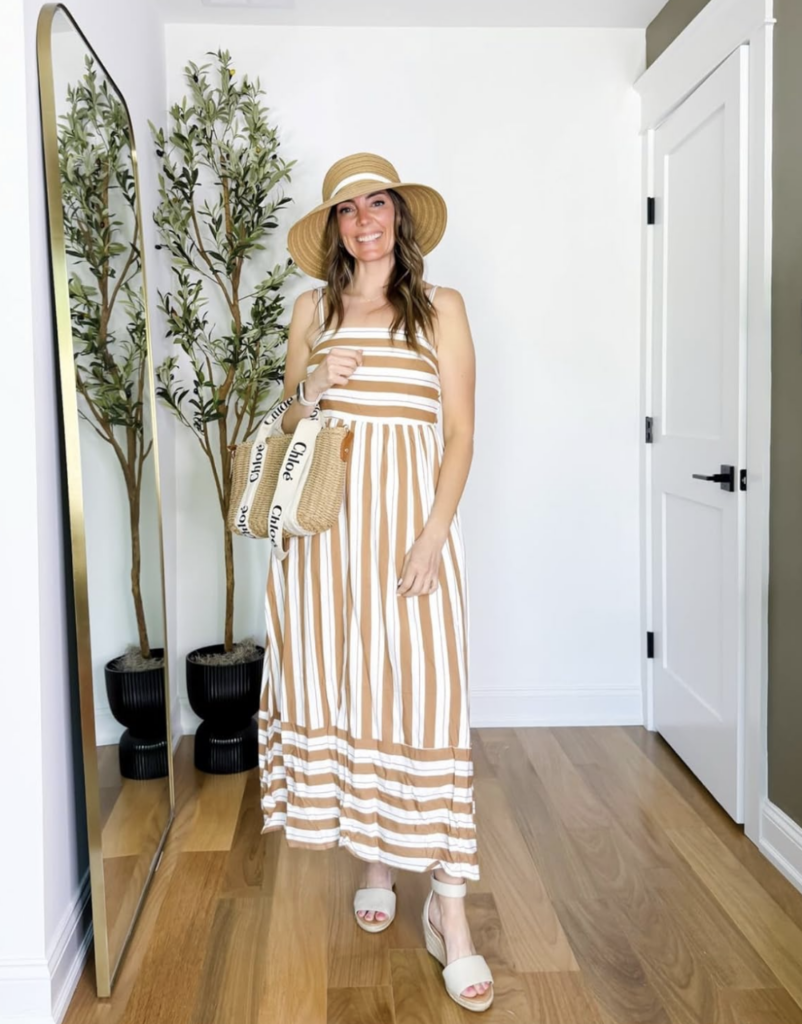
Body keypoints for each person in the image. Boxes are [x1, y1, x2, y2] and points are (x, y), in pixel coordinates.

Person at [257, 153, 494, 1012]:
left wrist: (434, 533)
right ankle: (372, 859)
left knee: (425, 700)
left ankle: (451, 914)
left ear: (399, 216)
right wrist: (312, 384)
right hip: (323, 541)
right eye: (348, 209)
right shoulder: (311, 308)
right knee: (350, 690)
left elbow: (461, 432)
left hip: (408, 536)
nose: (365, 220)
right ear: (333, 227)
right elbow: (285, 422)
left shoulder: (442, 309)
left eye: (378, 204)